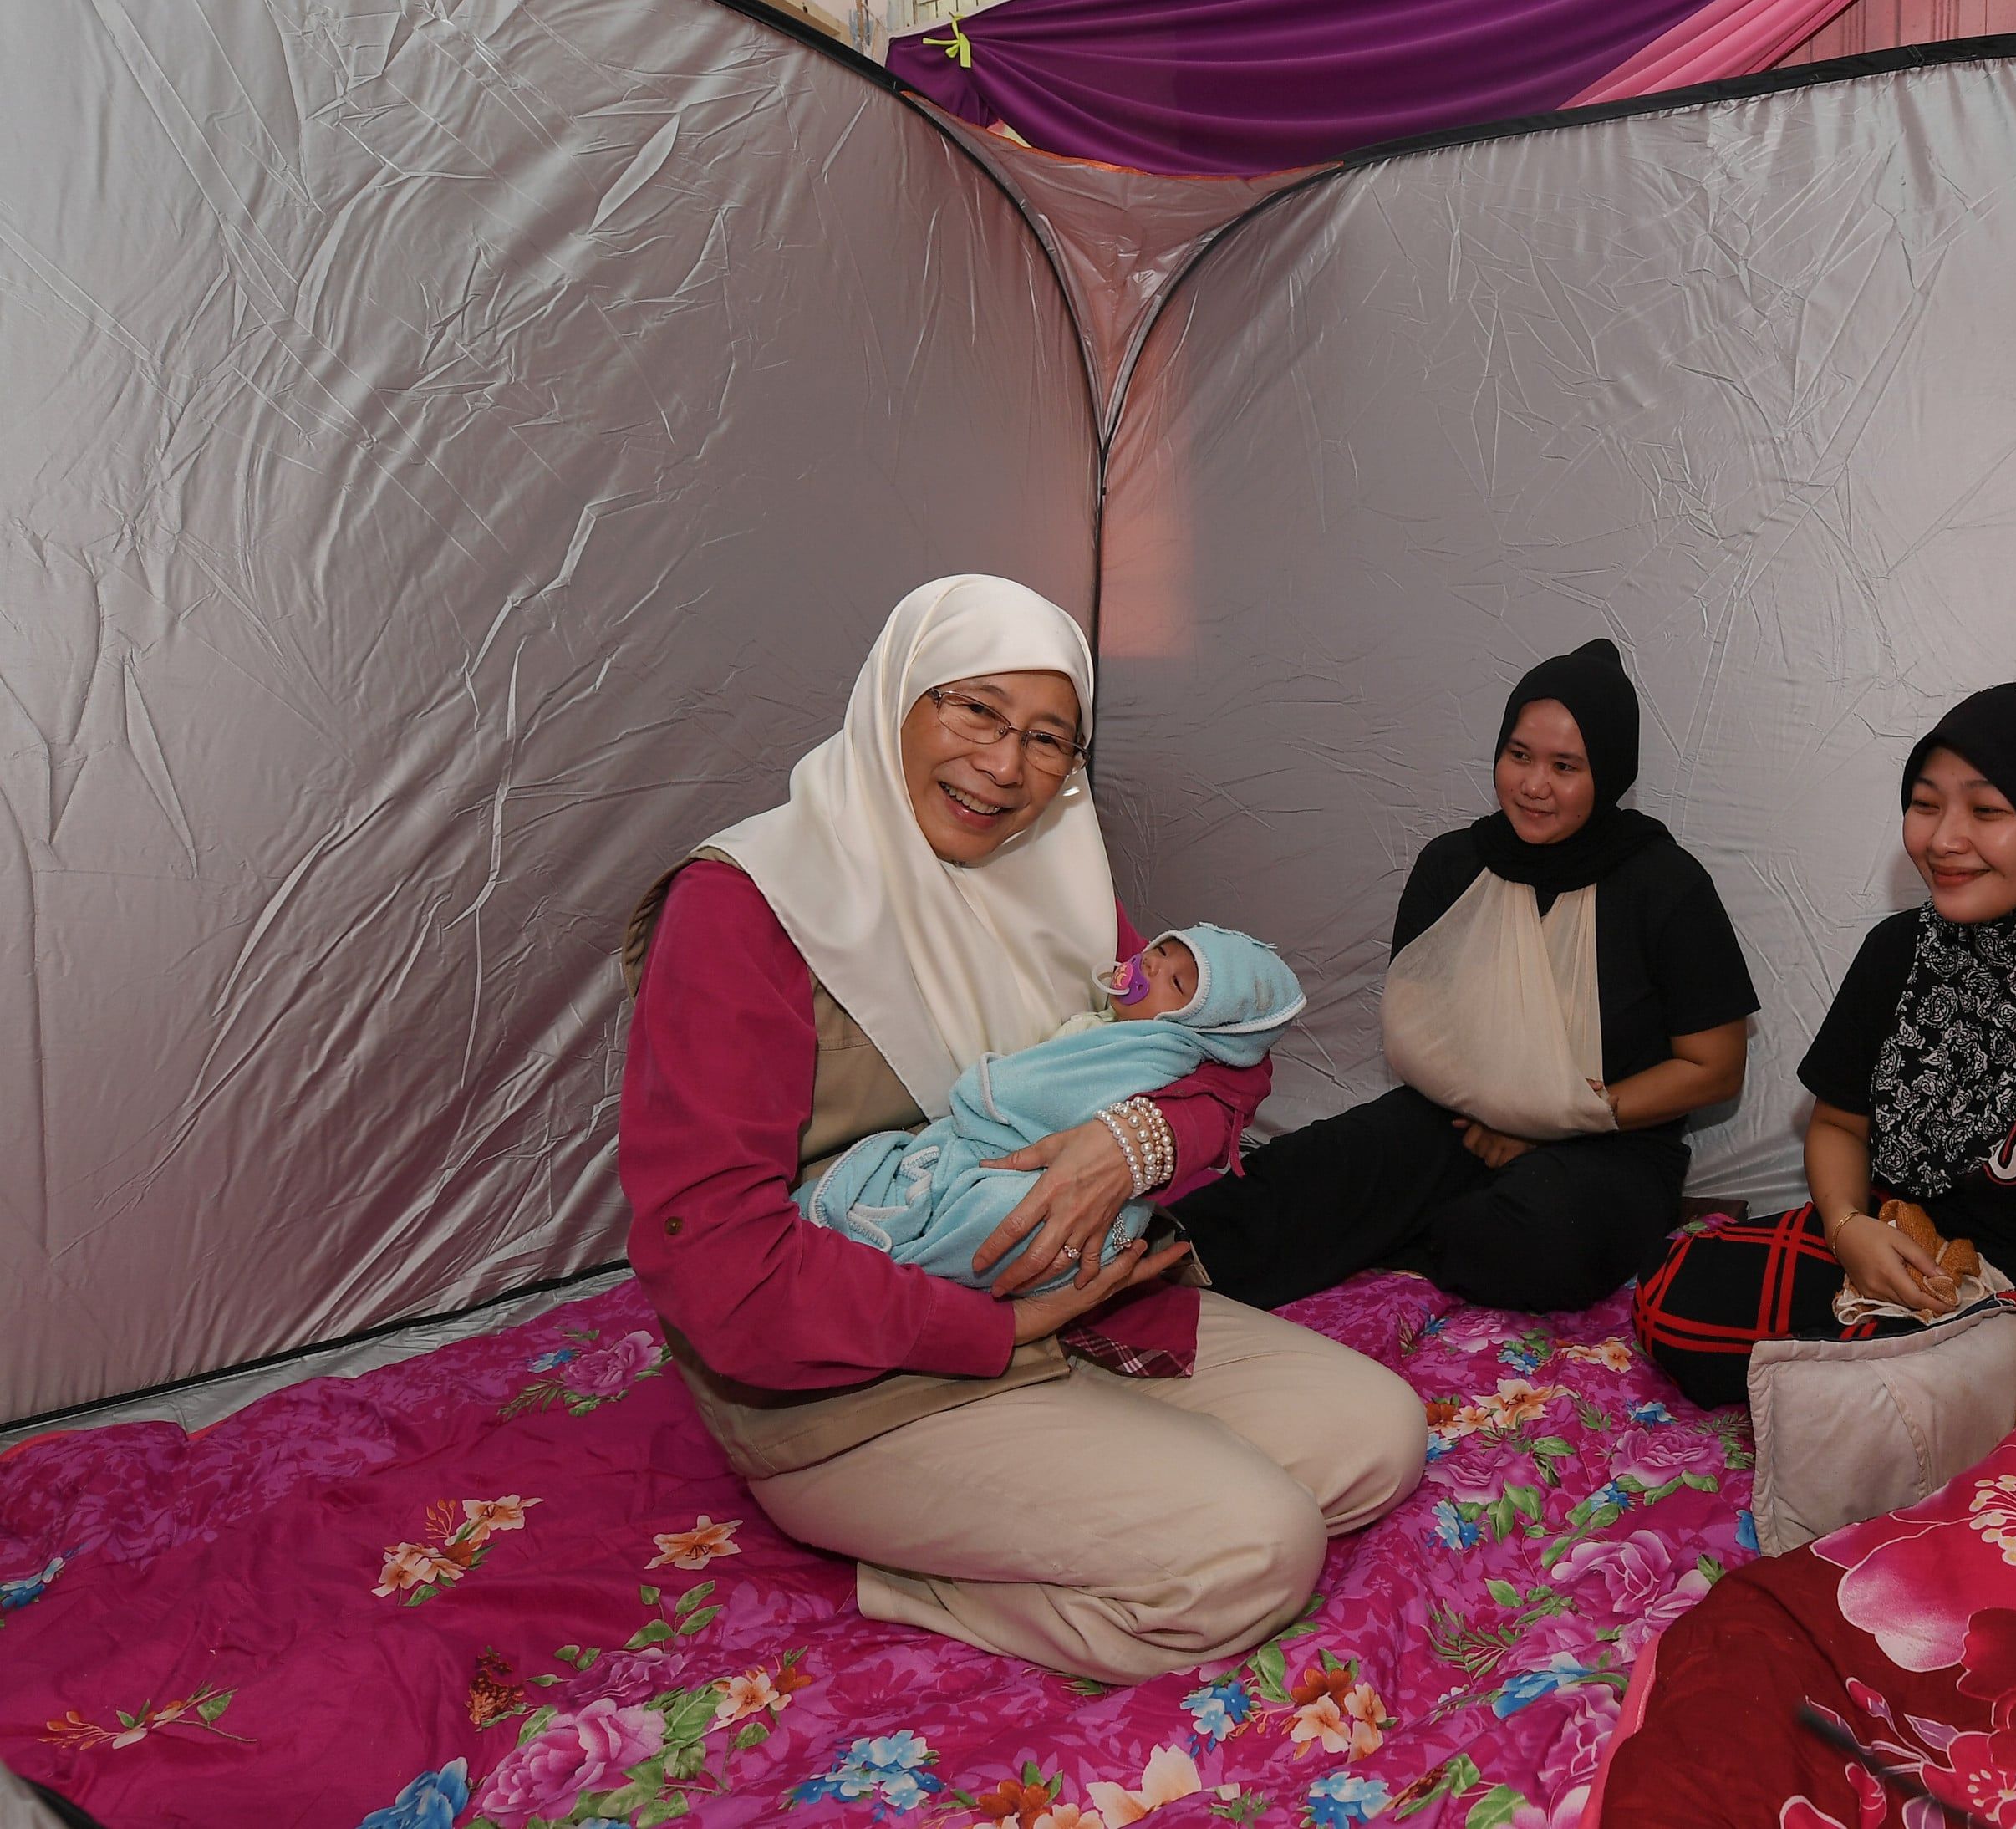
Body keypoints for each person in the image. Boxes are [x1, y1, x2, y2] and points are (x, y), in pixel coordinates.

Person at [617, 575, 1423, 1684]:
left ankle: (1096, 1450)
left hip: (1074, 1303)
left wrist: (1132, 1143)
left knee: (1378, 1438)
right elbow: (717, 1268)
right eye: (975, 711)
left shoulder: (1057, 882)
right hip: (850, 1372)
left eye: (1050, 738)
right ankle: (907, 1581)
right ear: (897, 697)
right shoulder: (745, 907)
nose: (1006, 767)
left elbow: (1224, 1051)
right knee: (1257, 1552)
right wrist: (1000, 1328)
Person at [1632, 670, 2016, 1419]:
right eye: (1924, 804)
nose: (1943, 839)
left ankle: (1952, 1410)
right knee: (1677, 1299)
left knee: (1886, 1406)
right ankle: (1880, 1388)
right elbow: (1837, 1125)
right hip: (1912, 1254)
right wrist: (1850, 1231)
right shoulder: (1901, 948)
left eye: (1987, 809)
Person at [1176, 638, 1759, 1312]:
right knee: (1311, 1167)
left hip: (1615, 1145)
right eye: (1519, 756)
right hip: (1455, 1123)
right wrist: (1498, 1115)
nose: (1534, 785)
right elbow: (1426, 1030)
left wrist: (1551, 1119)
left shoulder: (1665, 885)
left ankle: (1415, 1230)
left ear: (1610, 771)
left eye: (1565, 766)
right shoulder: (1453, 868)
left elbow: (1715, 1068)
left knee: (1537, 1238)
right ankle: (1141, 1267)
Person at [798, 925, 1306, 1294]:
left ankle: (901, 1259)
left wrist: (989, 1089)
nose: (1151, 965)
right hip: (1014, 1162)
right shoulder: (1119, 1020)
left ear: (1200, 1025)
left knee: (1001, 1215)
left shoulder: (1151, 1045)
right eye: (1162, 950)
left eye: (1177, 983)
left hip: (1041, 1172)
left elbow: (1036, 1094)